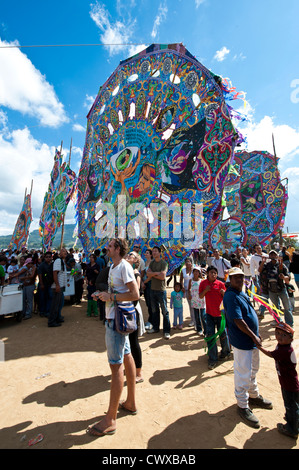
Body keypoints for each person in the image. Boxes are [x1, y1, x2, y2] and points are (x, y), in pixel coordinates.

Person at [86, 238, 139, 437]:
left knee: (115, 365)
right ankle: (131, 402)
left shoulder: (123, 266)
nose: (106, 248)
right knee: (126, 356)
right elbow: (118, 291)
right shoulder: (113, 266)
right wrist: (103, 294)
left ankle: (111, 419)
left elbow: (134, 294)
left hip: (116, 321)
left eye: (109, 245)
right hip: (116, 317)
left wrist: (111, 297)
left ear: (117, 249)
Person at [223, 267, 273, 429]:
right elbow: (238, 320)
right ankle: (243, 405)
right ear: (230, 279)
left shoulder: (241, 292)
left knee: (253, 369)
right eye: (235, 277)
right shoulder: (231, 296)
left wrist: (255, 335)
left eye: (241, 276)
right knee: (243, 372)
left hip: (251, 340)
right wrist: (254, 336)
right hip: (243, 341)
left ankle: (253, 395)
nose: (239, 279)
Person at [258, 322, 299, 439]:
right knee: (293, 405)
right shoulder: (282, 346)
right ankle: (294, 420)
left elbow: (270, 354)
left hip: (289, 385)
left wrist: (259, 346)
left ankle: (292, 429)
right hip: (288, 383)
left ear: (291, 338)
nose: (279, 337)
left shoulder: (285, 351)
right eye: (277, 333)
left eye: (284, 335)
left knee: (291, 406)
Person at [199, 266, 230, 369]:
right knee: (210, 336)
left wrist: (223, 293)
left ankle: (225, 352)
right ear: (207, 273)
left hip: (220, 315)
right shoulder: (203, 284)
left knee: (223, 335)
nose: (213, 274)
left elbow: (226, 298)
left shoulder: (221, 284)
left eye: (215, 273)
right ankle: (213, 359)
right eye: (211, 272)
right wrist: (206, 291)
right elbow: (200, 296)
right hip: (209, 314)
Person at [259, 250, 293, 327]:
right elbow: (259, 270)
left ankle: (289, 323)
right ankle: (278, 321)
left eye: (274, 255)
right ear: (269, 256)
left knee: (287, 307)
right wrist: (263, 262)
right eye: (271, 255)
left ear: (277, 256)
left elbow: (288, 276)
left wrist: (284, 277)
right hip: (271, 290)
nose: (273, 256)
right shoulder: (267, 265)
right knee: (275, 307)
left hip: (281, 288)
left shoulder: (281, 265)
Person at [125, 251, 145, 383]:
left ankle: (138, 372)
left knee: (133, 341)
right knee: (125, 341)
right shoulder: (125, 270)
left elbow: (136, 293)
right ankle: (129, 367)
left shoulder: (135, 273)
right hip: (124, 309)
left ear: (136, 260)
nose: (128, 255)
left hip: (132, 310)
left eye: (131, 255)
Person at [146, 246, 171, 339]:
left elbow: (162, 277)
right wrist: (156, 273)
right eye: (153, 251)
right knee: (154, 310)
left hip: (161, 290)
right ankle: (156, 328)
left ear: (160, 253)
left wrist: (153, 274)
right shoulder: (152, 263)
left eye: (156, 251)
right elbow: (148, 273)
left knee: (164, 311)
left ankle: (166, 330)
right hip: (152, 289)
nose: (154, 253)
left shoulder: (163, 263)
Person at [48, 248, 68, 327]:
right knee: (55, 304)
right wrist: (57, 285)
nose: (65, 253)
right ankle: (52, 321)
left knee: (58, 303)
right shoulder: (58, 261)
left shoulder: (62, 261)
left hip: (60, 286)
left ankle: (56, 318)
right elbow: (55, 273)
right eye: (63, 251)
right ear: (60, 253)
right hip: (57, 286)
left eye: (66, 252)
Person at [188, 266, 206, 336]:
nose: (196, 273)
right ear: (193, 272)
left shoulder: (202, 281)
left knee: (203, 316)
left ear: (199, 273)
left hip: (201, 300)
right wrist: (189, 294)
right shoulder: (191, 281)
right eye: (195, 271)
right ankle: (199, 329)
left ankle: (206, 330)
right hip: (194, 300)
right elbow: (189, 288)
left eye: (197, 271)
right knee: (197, 316)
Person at [37, 251, 53, 318]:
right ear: (44, 257)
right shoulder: (42, 265)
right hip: (43, 283)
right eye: (47, 257)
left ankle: (47, 311)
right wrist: (41, 284)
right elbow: (40, 275)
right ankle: (42, 311)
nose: (48, 258)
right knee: (42, 298)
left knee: (49, 297)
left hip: (49, 284)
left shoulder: (52, 265)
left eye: (49, 257)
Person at [180, 257, 195, 327]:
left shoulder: (194, 270)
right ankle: (193, 320)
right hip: (186, 290)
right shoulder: (183, 270)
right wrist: (182, 287)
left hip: (194, 290)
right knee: (190, 305)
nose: (187, 263)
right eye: (186, 262)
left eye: (188, 262)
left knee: (194, 305)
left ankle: (195, 320)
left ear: (191, 263)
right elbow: (181, 280)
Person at [141, 248, 153, 330]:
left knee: (151, 302)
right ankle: (150, 319)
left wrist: (144, 282)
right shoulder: (145, 263)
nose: (146, 254)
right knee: (147, 302)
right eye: (145, 253)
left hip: (150, 284)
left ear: (151, 255)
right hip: (145, 284)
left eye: (147, 253)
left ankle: (151, 320)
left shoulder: (152, 263)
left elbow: (151, 275)